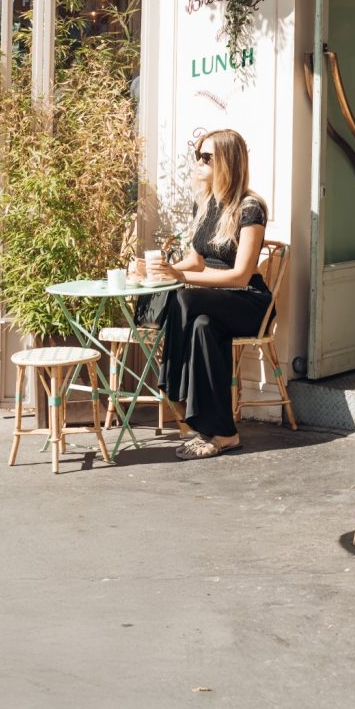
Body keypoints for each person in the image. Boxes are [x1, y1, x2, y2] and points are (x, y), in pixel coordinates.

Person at [150, 128, 269, 460]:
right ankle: (222, 434)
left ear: (227, 162)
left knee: (184, 298)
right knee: (201, 325)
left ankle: (171, 379)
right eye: (197, 155)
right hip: (212, 303)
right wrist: (165, 268)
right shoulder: (204, 204)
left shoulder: (250, 207)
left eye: (207, 157)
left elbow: (241, 274)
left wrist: (181, 277)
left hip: (248, 301)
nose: (198, 162)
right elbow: (196, 260)